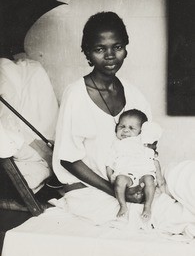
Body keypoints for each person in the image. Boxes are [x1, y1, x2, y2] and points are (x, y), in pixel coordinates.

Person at [52, 11, 154, 224]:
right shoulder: (76, 94)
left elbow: (149, 146)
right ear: (87, 53)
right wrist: (116, 191)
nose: (110, 55)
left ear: (125, 49)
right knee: (154, 220)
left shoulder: (135, 95)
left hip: (131, 185)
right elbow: (68, 159)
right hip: (88, 190)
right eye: (100, 49)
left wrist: (141, 184)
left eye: (117, 47)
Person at [106, 109, 164, 221]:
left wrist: (159, 177)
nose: (125, 131)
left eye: (131, 128)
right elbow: (109, 162)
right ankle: (123, 205)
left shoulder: (143, 143)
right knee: (120, 180)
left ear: (141, 131)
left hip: (143, 173)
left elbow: (154, 160)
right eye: (122, 126)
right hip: (126, 174)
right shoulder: (116, 144)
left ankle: (147, 206)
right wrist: (110, 177)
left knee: (149, 180)